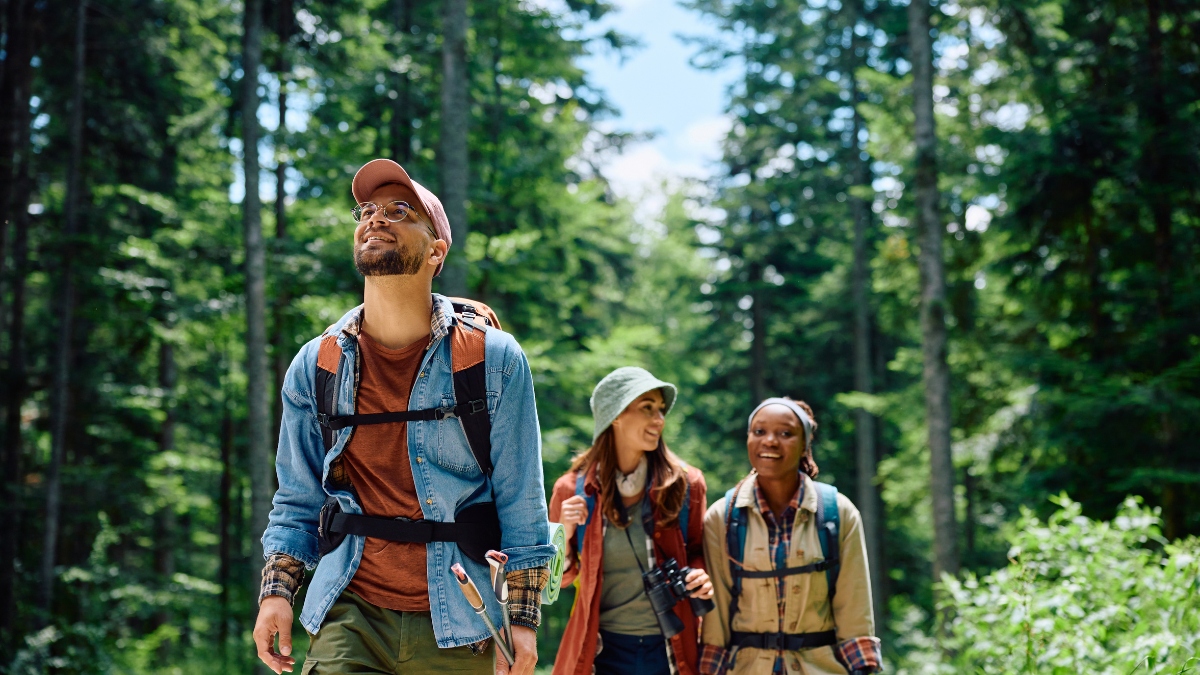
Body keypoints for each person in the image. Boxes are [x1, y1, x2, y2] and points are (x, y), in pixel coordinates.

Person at [252, 158, 556, 675]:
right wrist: (276, 593)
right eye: (366, 210)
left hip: (464, 618)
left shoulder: (493, 360)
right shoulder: (316, 364)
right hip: (351, 613)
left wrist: (522, 622)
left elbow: (522, 501)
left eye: (400, 210)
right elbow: (298, 498)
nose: (376, 218)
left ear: (436, 249)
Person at [699, 398, 882, 675]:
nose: (770, 442)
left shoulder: (836, 513)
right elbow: (716, 618)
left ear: (804, 444)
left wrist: (863, 668)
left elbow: (854, 607)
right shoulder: (722, 518)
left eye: (785, 434)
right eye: (759, 432)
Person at [549, 367, 713, 675]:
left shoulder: (687, 484)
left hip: (671, 649)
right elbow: (555, 582)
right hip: (601, 651)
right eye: (647, 408)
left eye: (661, 410)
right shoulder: (571, 490)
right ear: (616, 415)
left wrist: (700, 576)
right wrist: (565, 532)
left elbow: (697, 551)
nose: (659, 420)